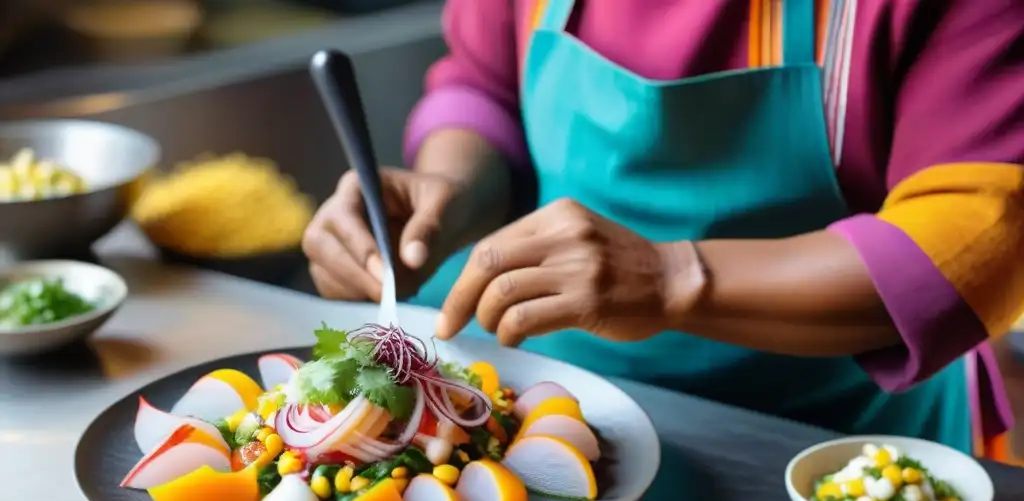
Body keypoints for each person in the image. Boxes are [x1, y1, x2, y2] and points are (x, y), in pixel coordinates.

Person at [303, 0, 1024, 459]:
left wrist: (674, 278)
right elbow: (484, 85)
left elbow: (971, 240)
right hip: (542, 412)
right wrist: (451, 192)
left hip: (834, 447)